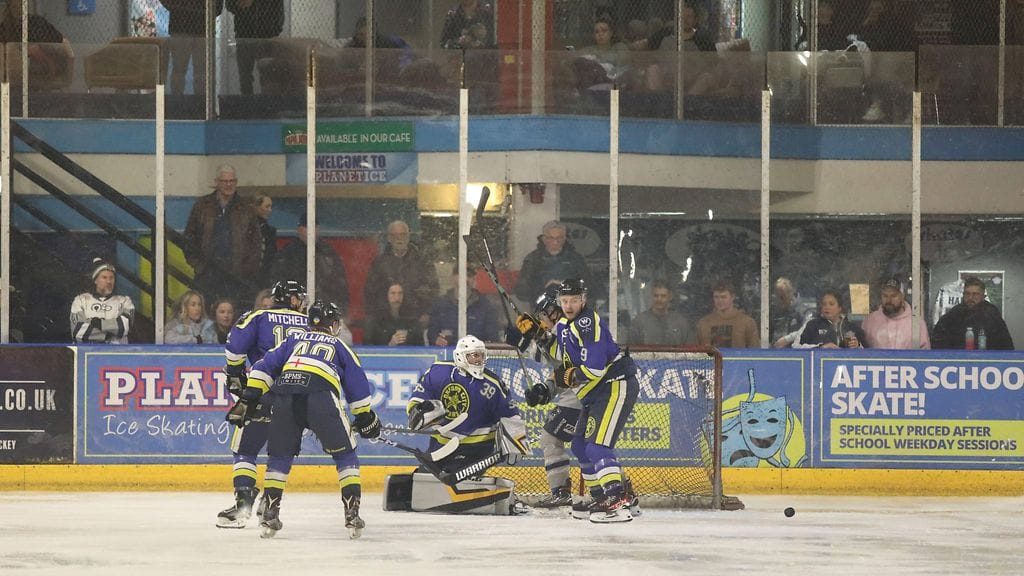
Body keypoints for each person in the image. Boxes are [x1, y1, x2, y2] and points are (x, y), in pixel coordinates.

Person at [235, 300, 379, 539]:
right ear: (333, 324)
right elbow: (356, 383)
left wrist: (250, 396)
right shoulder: (340, 345)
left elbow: (264, 366)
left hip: (284, 393)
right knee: (346, 454)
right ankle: (352, 513)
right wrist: (364, 415)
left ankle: (270, 512)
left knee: (280, 456)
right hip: (321, 394)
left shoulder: (293, 340)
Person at [383, 335, 529, 515]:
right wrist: (419, 411)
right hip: (441, 446)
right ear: (460, 356)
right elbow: (417, 399)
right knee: (427, 479)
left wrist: (516, 441)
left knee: (450, 478)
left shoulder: (492, 385)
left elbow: (511, 415)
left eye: (481, 355)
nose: (479, 360)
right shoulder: (438, 372)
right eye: (473, 355)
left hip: (477, 449)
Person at [215, 280, 308, 529]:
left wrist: (235, 373)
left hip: (262, 391)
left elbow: (235, 346)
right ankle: (271, 506)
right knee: (281, 452)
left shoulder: (259, 316)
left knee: (245, 449)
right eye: (300, 297)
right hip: (297, 397)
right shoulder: (310, 325)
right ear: (293, 299)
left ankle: (243, 504)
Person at [550, 278, 639, 523]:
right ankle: (602, 497)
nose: (569, 305)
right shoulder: (564, 325)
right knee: (580, 446)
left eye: (574, 300)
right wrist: (531, 336)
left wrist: (567, 375)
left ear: (584, 300)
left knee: (598, 446)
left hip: (615, 384)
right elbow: (561, 353)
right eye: (565, 300)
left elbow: (595, 369)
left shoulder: (587, 323)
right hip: (596, 392)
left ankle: (617, 500)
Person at [511, 286, 582, 508]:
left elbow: (566, 360)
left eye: (544, 314)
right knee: (588, 445)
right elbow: (559, 365)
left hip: (586, 394)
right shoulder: (562, 330)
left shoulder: (573, 328)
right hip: (580, 393)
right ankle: (620, 490)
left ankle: (562, 491)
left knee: (553, 438)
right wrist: (544, 391)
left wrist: (530, 340)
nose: (542, 320)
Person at [183, 164, 263, 306]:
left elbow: (256, 243)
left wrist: (245, 270)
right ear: (216, 182)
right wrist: (198, 265)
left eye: (232, 181)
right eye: (225, 181)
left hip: (236, 278)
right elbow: (189, 237)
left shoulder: (246, 209)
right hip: (207, 275)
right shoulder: (202, 205)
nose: (228, 184)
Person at [270, 213, 350, 312]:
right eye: (306, 227)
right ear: (299, 230)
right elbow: (278, 280)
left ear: (318, 229)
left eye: (314, 227)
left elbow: (339, 284)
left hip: (323, 307)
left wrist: (343, 309)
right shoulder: (288, 253)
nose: (310, 231)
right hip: (294, 308)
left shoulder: (327, 252)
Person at [363, 220, 438, 318]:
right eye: (394, 235)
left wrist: (427, 313)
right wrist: (374, 317)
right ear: (389, 238)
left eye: (403, 234)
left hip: (415, 319)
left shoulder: (422, 262)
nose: (399, 238)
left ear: (408, 237)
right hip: (385, 320)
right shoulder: (379, 263)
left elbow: (433, 289)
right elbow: (370, 292)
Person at [513, 220, 590, 304]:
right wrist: (545, 289)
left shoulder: (575, 259)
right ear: (544, 239)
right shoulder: (533, 259)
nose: (555, 241)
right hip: (542, 309)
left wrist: (565, 285)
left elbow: (588, 285)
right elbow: (521, 291)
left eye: (559, 238)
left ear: (564, 238)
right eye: (551, 238)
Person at [932, 277, 1014, 350]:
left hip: (986, 362)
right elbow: (937, 341)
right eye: (967, 294)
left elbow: (1005, 345)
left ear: (983, 296)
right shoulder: (954, 313)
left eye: (975, 294)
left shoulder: (991, 314)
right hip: (958, 361)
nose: (970, 298)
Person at [162, 0, 223, 95]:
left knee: (202, 72)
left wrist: (182, 6)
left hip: (199, 28)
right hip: (182, 26)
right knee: (180, 69)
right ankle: (177, 102)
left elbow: (218, 8)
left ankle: (202, 104)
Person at [70, 258, 135, 344]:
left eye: (111, 278)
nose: (109, 281)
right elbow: (78, 331)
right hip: (88, 354)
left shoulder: (125, 302)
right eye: (104, 277)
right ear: (95, 280)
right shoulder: (81, 300)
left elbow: (123, 328)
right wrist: (109, 334)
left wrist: (97, 323)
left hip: (117, 353)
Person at [427, 269, 498, 346]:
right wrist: (436, 339)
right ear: (453, 277)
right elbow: (432, 332)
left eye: (469, 275)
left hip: (475, 355)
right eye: (461, 274)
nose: (465, 279)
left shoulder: (485, 306)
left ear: (474, 279)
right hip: (446, 354)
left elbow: (492, 338)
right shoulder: (440, 304)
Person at [226, 0, 283, 95]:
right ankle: (247, 104)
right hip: (244, 35)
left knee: (266, 74)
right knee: (245, 76)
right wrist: (240, 5)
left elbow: (279, 10)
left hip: (266, 36)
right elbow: (229, 5)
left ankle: (267, 104)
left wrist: (275, 31)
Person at [861, 277, 930, 349]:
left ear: (902, 296)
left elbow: (925, 355)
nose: (889, 300)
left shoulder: (917, 323)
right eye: (885, 295)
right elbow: (861, 351)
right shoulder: (870, 321)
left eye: (893, 296)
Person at [696, 281, 760, 348]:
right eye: (716, 297)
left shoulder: (747, 322)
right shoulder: (703, 323)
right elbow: (696, 352)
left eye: (723, 297)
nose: (720, 300)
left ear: (732, 297)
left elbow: (755, 352)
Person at [628, 280, 693, 345]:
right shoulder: (639, 322)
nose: (659, 299)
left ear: (670, 297)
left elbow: (690, 351)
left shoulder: (681, 323)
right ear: (651, 296)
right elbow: (631, 350)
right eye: (656, 296)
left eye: (663, 296)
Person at [797, 289, 866, 349]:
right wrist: (821, 347)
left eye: (831, 304)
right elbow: (797, 347)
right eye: (824, 304)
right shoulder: (812, 325)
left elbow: (868, 352)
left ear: (840, 308)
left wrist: (858, 346)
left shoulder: (853, 328)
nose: (827, 307)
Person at [363, 282, 425, 346]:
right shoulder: (374, 319)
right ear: (385, 295)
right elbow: (368, 348)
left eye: (400, 293)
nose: (397, 298)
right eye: (393, 293)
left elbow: (421, 347)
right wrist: (390, 346)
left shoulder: (412, 318)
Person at [770, 277, 805, 345]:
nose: (779, 301)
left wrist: (787, 339)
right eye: (777, 297)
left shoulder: (801, 312)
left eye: (782, 297)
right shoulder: (773, 313)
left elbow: (808, 331)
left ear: (790, 294)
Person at [253, 193, 276, 288]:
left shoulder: (269, 231)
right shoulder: (245, 228)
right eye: (267, 206)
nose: (270, 210)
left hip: (264, 277)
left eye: (271, 207)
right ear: (257, 207)